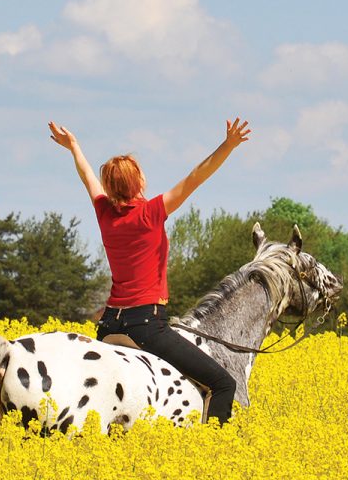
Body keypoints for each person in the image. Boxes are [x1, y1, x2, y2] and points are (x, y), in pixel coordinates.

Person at [48, 118, 251, 425]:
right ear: (138, 183)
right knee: (224, 384)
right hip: (144, 327)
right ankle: (214, 451)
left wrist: (74, 147)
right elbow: (197, 176)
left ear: (110, 188)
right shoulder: (151, 213)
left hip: (107, 327)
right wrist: (228, 145)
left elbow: (87, 177)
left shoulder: (104, 212)